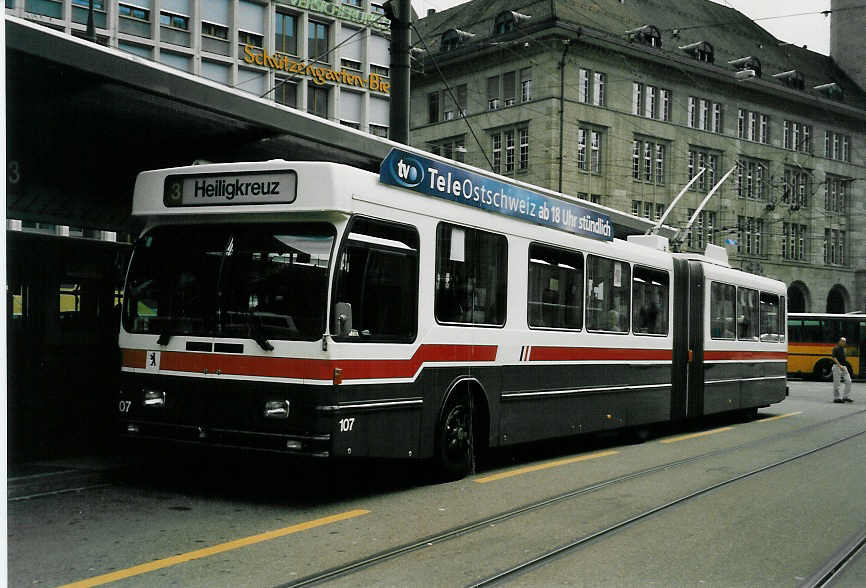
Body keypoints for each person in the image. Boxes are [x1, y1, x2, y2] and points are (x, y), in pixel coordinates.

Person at [831, 337, 853, 403]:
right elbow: (834, 357)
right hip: (837, 366)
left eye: (845, 341)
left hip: (843, 367)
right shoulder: (836, 348)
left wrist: (844, 366)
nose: (844, 343)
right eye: (842, 341)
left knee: (849, 381)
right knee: (837, 383)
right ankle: (837, 398)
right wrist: (839, 365)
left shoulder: (843, 349)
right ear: (839, 341)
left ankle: (845, 397)